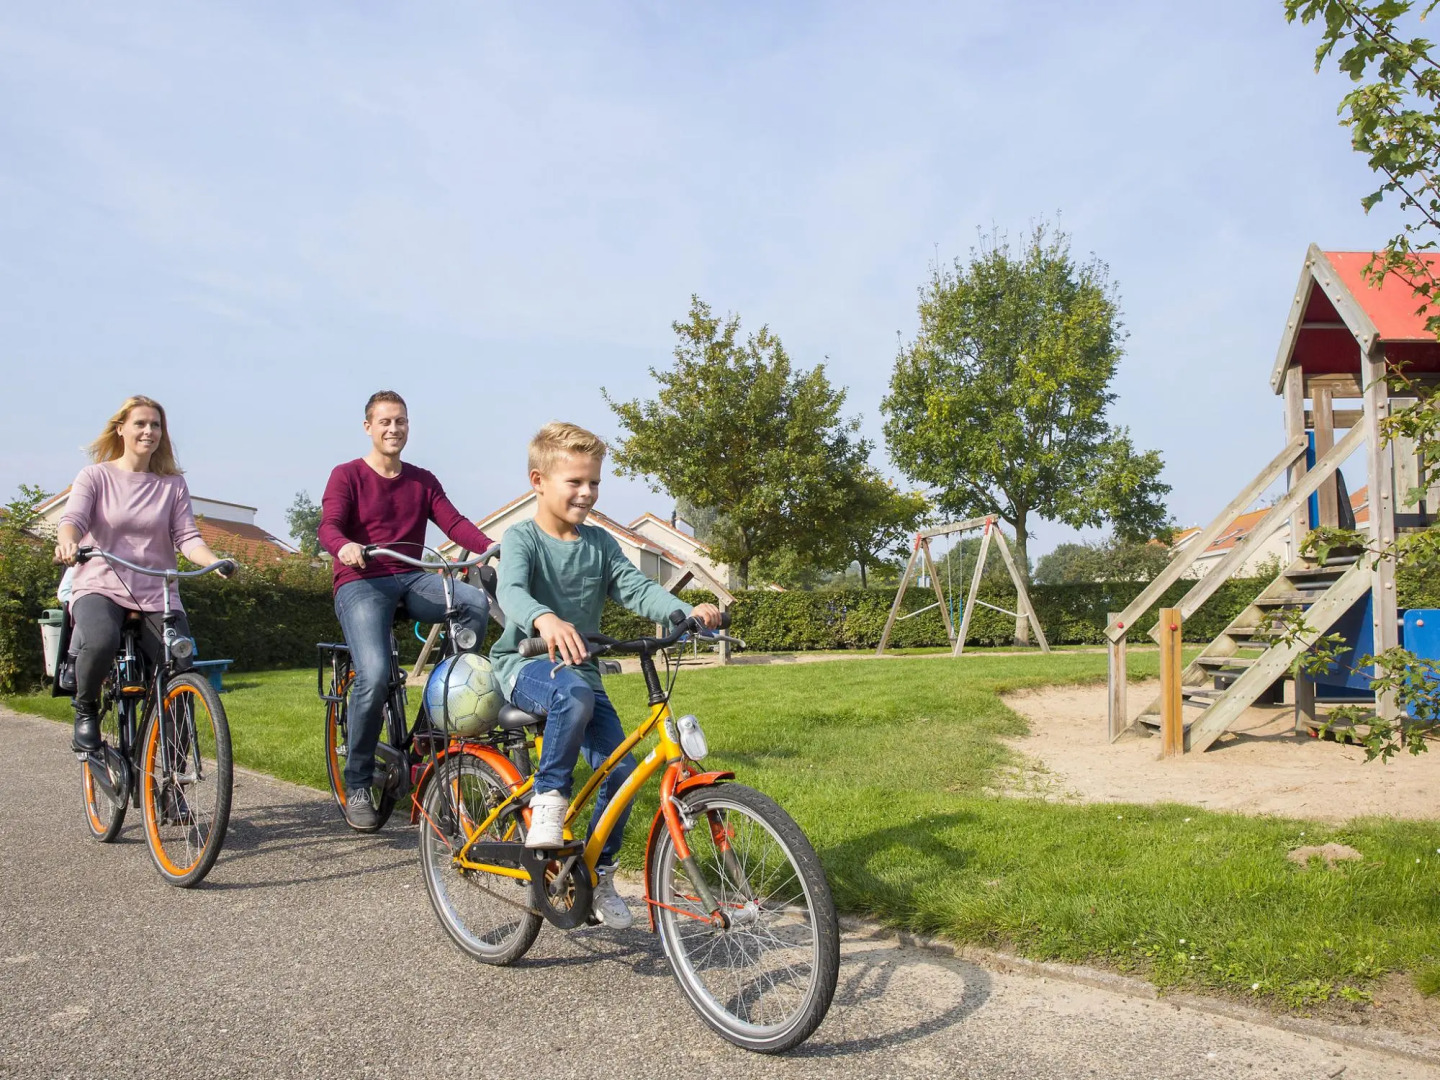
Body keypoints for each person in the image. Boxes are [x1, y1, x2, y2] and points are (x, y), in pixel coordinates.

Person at [490, 422, 722, 929]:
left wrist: (685, 613)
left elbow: (637, 589)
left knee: (620, 772)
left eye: (594, 482)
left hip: (581, 673)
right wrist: (544, 619)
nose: (587, 492)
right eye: (574, 482)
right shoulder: (522, 538)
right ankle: (550, 800)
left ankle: (597, 875)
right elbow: (510, 592)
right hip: (525, 665)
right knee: (571, 691)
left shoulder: (599, 544)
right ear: (538, 481)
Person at [319, 390, 495, 831]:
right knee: (375, 675)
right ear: (368, 427)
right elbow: (330, 525)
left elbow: (453, 523)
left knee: (472, 602)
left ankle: (431, 720)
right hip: (362, 581)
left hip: (413, 577)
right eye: (385, 422)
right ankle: (358, 780)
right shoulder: (347, 475)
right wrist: (344, 548)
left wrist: (490, 546)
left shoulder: (421, 480)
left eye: (400, 421)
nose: (394, 429)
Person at [54, 396, 236, 753]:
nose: (148, 431)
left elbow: (187, 537)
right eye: (140, 423)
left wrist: (213, 561)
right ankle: (86, 708)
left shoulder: (172, 485)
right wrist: (68, 543)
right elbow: (71, 520)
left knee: (180, 670)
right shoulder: (95, 476)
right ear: (120, 428)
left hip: (156, 590)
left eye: (155, 425)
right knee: (102, 639)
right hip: (101, 583)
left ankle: (173, 783)